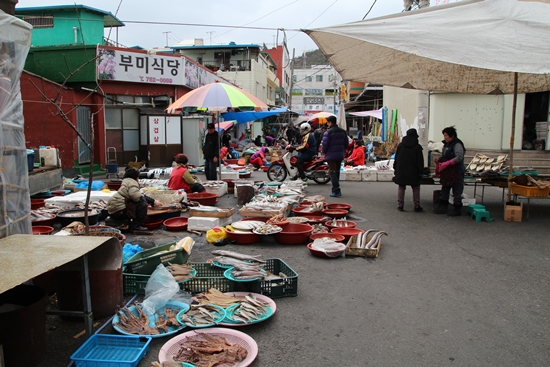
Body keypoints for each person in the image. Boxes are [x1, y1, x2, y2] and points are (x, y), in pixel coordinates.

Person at [434, 126, 466, 216]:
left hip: (457, 171)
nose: (445, 137)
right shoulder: (446, 144)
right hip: (447, 171)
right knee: (445, 188)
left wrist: (448, 163)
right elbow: (445, 156)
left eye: (446, 135)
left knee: (457, 190)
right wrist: (439, 160)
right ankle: (443, 206)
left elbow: (459, 157)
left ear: (452, 135)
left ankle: (457, 208)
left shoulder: (457, 144)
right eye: (444, 135)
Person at [393, 128, 424, 212]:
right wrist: (420, 171)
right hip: (413, 170)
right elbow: (420, 161)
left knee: (401, 187)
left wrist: (395, 168)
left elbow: (397, 158)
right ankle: (416, 205)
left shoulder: (401, 146)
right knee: (415, 187)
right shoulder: (417, 147)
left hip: (401, 170)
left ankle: (400, 205)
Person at [322, 116, 348, 197]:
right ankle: (335, 189)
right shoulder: (343, 131)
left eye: (327, 122)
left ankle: (336, 190)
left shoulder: (328, 132)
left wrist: (323, 152)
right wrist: (342, 150)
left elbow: (325, 145)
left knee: (332, 172)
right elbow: (346, 143)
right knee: (337, 171)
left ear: (330, 122)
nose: (327, 124)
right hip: (340, 155)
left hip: (331, 155)